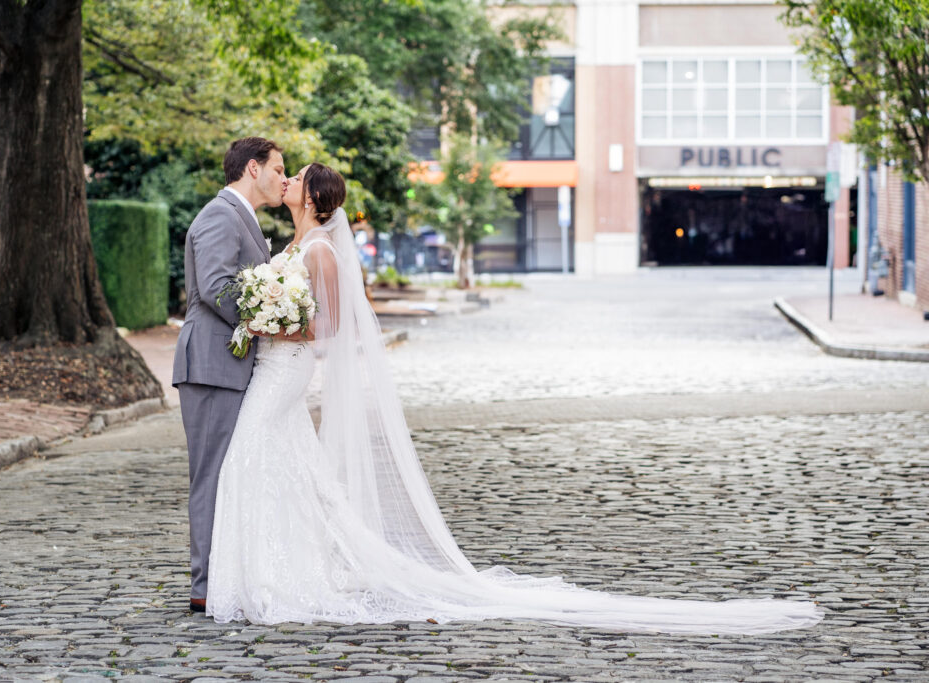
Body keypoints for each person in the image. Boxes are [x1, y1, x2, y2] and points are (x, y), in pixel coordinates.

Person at [205, 163, 823, 634]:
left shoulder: (318, 251)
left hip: (283, 369)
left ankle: (282, 575)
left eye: (296, 179)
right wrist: (265, 317)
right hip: (272, 369)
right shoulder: (292, 245)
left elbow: (328, 328)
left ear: (311, 199)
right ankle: (277, 568)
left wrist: (269, 325)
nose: (286, 181)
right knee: (279, 465)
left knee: (257, 457)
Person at [172, 137, 285, 613]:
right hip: (214, 364)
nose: (284, 178)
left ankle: (224, 577)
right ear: (253, 169)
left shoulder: (244, 217)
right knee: (212, 475)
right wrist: (270, 323)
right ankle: (204, 586)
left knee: (230, 473)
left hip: (230, 363)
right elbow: (217, 286)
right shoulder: (221, 214)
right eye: (279, 169)